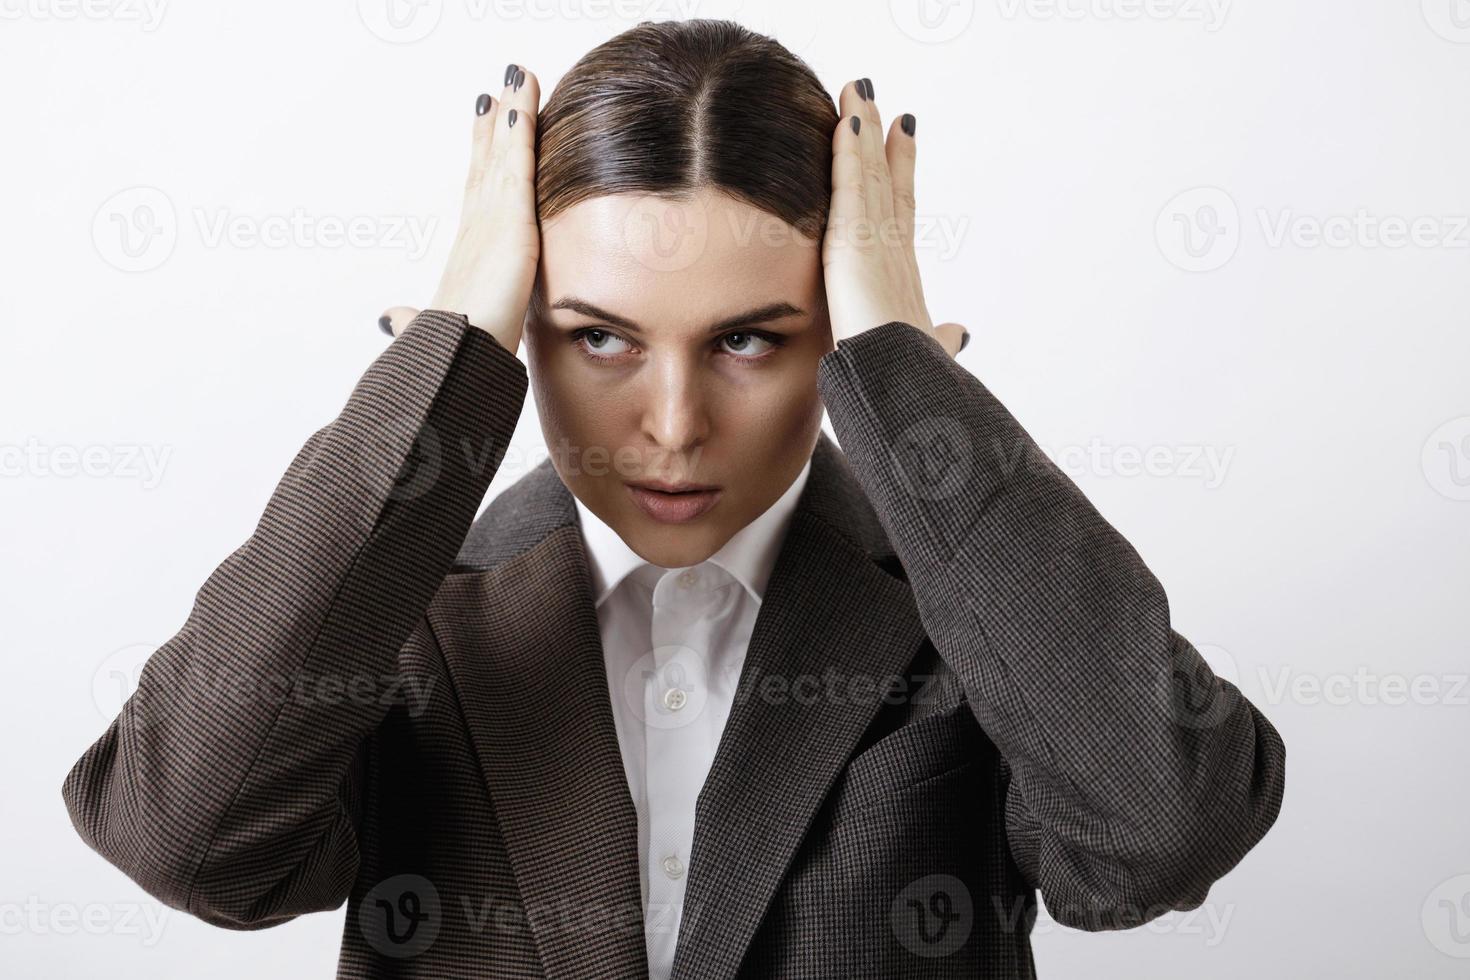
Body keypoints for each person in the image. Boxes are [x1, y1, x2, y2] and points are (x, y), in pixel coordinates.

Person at [61, 18, 1285, 979]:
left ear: (851, 348)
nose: (674, 422)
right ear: (515, 341)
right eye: (598, 338)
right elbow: (185, 840)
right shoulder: (399, 613)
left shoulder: (962, 608)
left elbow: (1160, 830)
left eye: (752, 338)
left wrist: (913, 390)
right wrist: (441, 370)